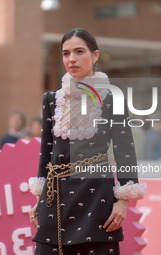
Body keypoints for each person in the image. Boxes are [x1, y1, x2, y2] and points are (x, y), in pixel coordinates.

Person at [28, 28, 146, 255]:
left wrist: (122, 202)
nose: (71, 59)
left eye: (79, 52)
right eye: (65, 53)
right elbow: (47, 152)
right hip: (56, 197)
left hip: (97, 197)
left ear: (95, 56)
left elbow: (125, 152)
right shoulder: (51, 99)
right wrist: (41, 197)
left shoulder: (112, 98)